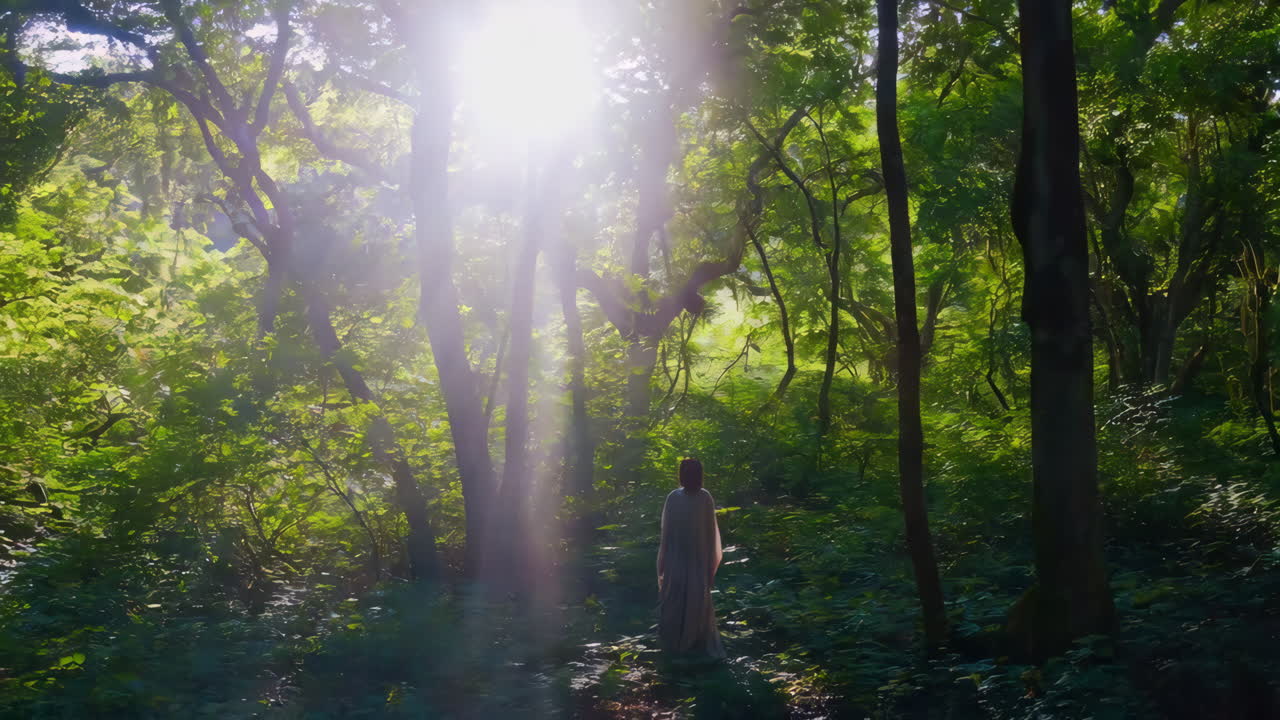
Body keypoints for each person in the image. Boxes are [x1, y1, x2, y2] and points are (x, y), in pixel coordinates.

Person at [657, 457, 725, 659]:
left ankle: (694, 642)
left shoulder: (705, 498)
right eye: (685, 472)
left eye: (691, 472)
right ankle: (674, 642)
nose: (687, 476)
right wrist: (663, 561)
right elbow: (666, 532)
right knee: (675, 599)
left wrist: (710, 566)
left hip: (697, 558)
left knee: (696, 599)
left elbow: (710, 534)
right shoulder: (673, 497)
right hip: (676, 557)